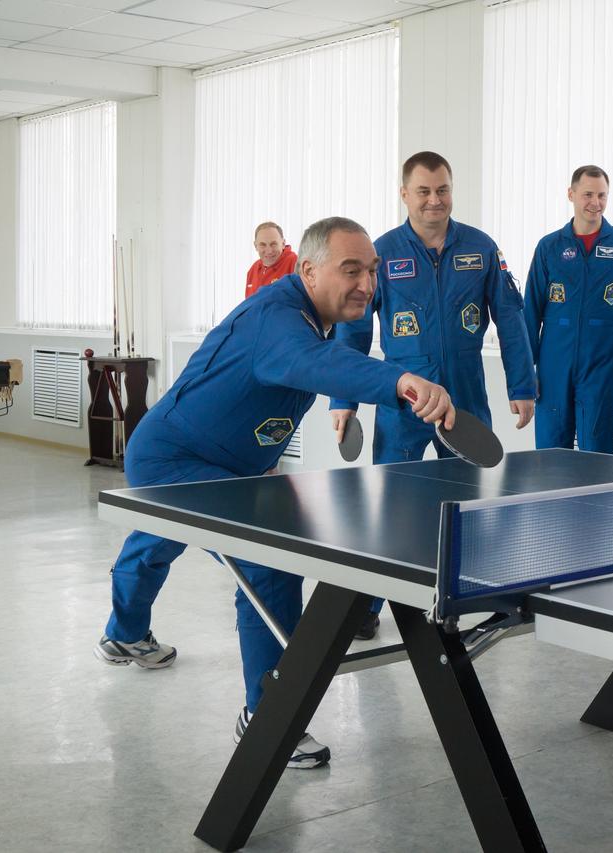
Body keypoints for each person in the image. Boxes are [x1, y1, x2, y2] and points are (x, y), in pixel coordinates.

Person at [94, 217, 455, 768]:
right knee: (269, 559)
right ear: (308, 271)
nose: (367, 283)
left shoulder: (315, 318)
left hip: (231, 463)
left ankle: (124, 633)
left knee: (161, 536)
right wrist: (401, 383)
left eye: (372, 271)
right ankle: (268, 715)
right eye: (350, 270)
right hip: (174, 459)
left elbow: (324, 367)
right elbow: (319, 365)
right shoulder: (279, 320)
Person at [330, 151, 536, 639]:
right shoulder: (380, 253)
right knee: (388, 509)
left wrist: (522, 385)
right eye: (423, 191)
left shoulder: (482, 249)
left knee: (471, 506)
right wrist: (343, 401)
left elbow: (511, 319)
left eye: (442, 189)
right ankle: (369, 605)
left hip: (464, 398)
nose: (434, 200)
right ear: (405, 194)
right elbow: (354, 333)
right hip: (401, 402)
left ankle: (478, 595)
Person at [524, 165, 613, 452]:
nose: (596, 202)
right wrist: (525, 371)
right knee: (550, 448)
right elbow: (530, 311)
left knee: (597, 447)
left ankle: (601, 500)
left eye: (602, 195)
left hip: (600, 361)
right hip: (554, 362)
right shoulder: (549, 247)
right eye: (588, 194)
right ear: (571, 194)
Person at [245, 221, 298, 298]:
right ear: (256, 246)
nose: (269, 251)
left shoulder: (295, 263)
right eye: (263, 245)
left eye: (273, 244)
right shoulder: (253, 270)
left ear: (283, 243)